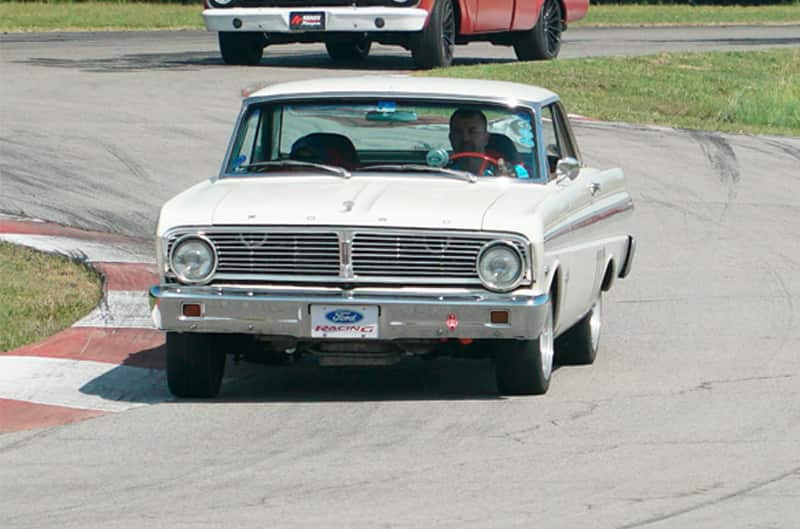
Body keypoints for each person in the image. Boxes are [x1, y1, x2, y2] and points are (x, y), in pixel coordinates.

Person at [447, 109, 528, 178]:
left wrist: (509, 177)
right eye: (458, 132)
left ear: (486, 138)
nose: (465, 138)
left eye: (473, 132)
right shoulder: (443, 169)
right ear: (451, 138)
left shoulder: (507, 168)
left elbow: (526, 185)